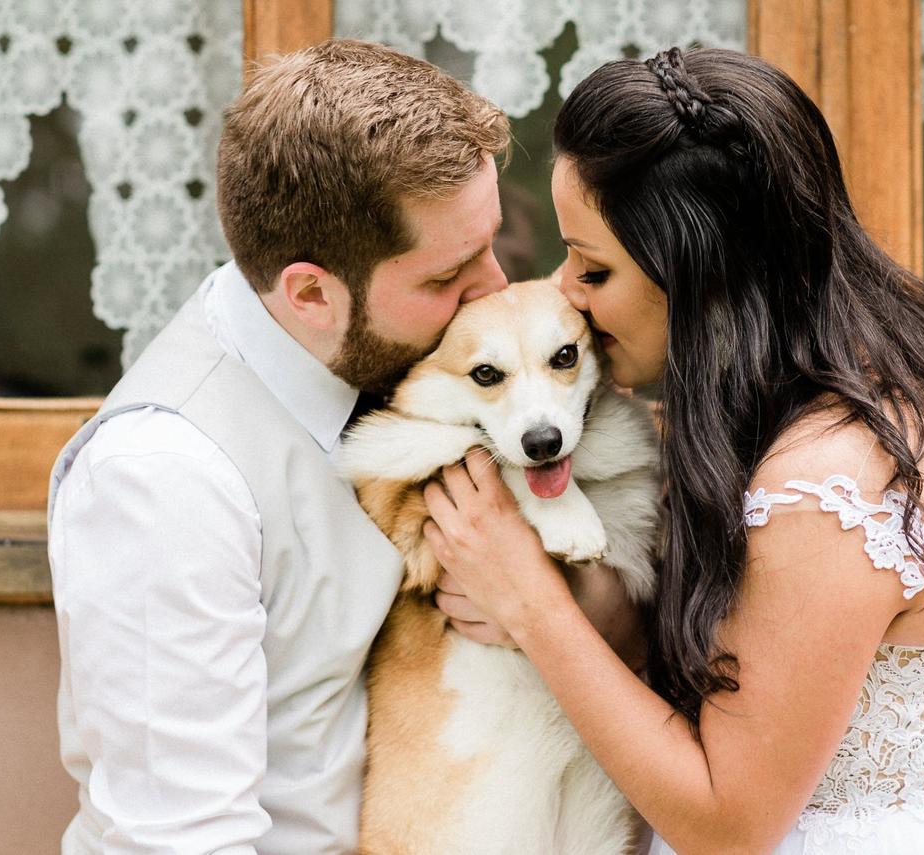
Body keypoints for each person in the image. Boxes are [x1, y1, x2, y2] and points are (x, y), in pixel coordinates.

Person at [423, 47, 924, 854]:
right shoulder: (828, 391)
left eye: (592, 266)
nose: (562, 290)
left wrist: (529, 600)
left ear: (701, 278)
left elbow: (728, 822)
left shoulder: (830, 483)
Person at [47, 40, 640, 854]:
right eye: (448, 276)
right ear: (312, 293)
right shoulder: (163, 477)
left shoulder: (418, 371)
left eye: (494, 245)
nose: (494, 289)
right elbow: (179, 839)